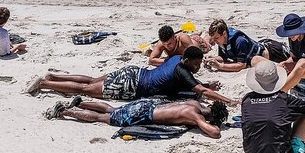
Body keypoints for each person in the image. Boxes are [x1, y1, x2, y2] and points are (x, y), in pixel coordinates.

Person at [27, 46, 238, 105]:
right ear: (190, 61)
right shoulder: (183, 71)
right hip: (131, 86)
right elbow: (199, 90)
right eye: (198, 63)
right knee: (86, 90)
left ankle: (53, 77)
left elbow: (188, 82)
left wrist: (206, 82)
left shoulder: (176, 59)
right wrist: (229, 100)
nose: (199, 66)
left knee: (92, 80)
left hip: (133, 72)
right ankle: (45, 84)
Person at [45, 97, 228, 139]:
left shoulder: (194, 103)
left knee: (113, 109)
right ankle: (65, 112)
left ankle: (82, 102)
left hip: (148, 105)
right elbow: (215, 134)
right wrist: (215, 124)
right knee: (104, 118)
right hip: (145, 115)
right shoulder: (195, 116)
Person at [204, 19, 290, 72]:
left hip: (273, 52)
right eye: (213, 39)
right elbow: (224, 57)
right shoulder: (222, 40)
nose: (215, 41)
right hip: (258, 48)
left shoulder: (239, 41)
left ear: (224, 33)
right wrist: (213, 59)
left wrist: (220, 66)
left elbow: (241, 65)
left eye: (216, 38)